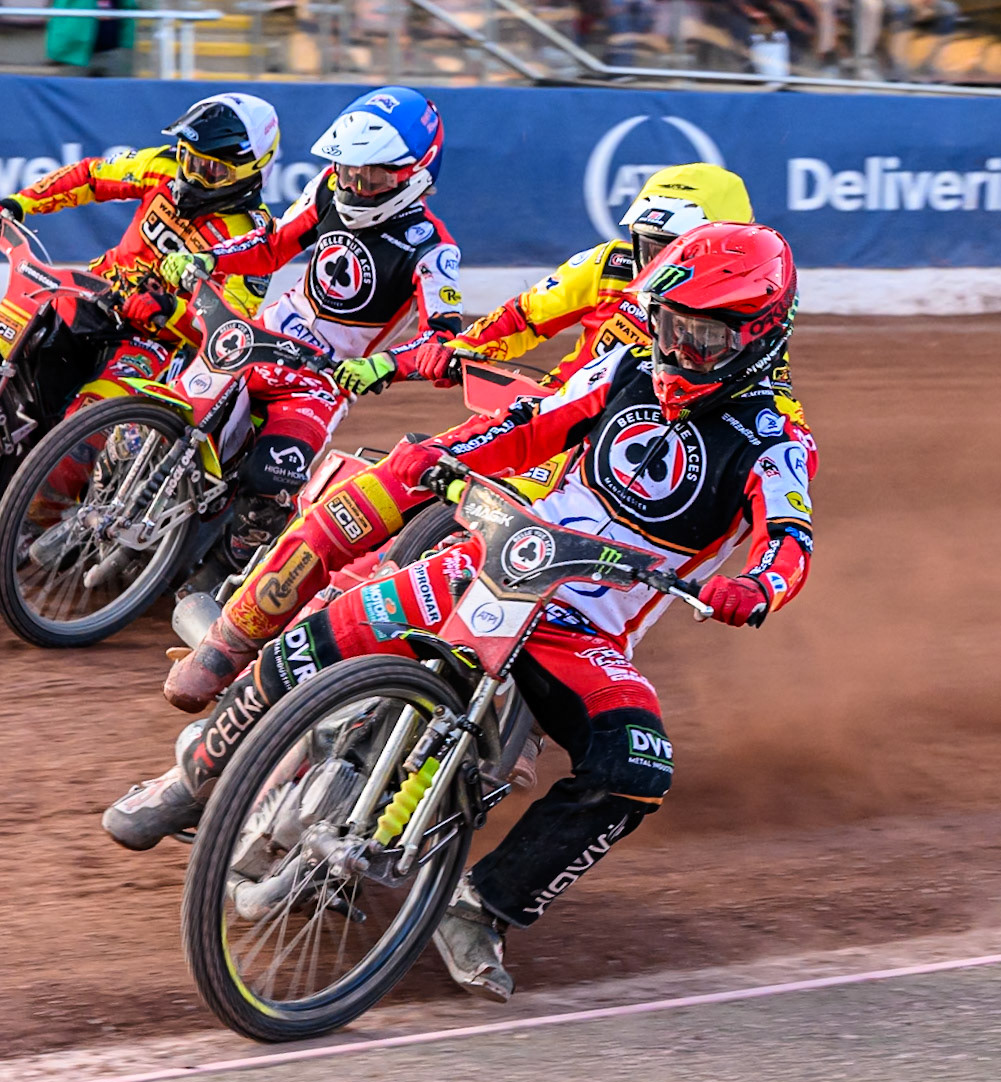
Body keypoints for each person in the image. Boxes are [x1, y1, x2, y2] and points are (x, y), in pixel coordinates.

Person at [105, 223, 818, 1006]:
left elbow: (788, 540)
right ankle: (192, 773)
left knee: (636, 768)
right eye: (670, 325)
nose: (680, 349)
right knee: (318, 633)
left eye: (704, 335)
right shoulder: (623, 367)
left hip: (585, 634)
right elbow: (529, 425)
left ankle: (483, 905)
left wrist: (754, 588)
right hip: (495, 563)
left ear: (758, 335)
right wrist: (453, 452)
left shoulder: (776, 438)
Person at [161, 162, 757, 713]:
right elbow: (514, 322)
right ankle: (242, 650)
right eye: (647, 244)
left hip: (601, 488)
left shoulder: (746, 350)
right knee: (373, 511)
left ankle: (509, 726)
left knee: (580, 600)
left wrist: (752, 582)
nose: (654, 262)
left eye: (672, 248)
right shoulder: (604, 266)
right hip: (533, 431)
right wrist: (410, 360)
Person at [0, 92, 280, 525]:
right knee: (13, 368)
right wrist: (20, 203)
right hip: (94, 296)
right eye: (188, 157)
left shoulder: (254, 237)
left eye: (211, 168)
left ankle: (32, 522)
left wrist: (170, 309)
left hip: (154, 343)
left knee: (83, 427)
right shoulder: (161, 166)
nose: (192, 172)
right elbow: (91, 177)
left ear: (251, 170)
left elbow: (228, 332)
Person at [150, 85, 464, 569]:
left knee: (270, 482)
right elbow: (273, 245)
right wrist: (209, 257)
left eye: (372, 175)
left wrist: (385, 365)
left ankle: (232, 579)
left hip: (323, 380)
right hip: (262, 337)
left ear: (416, 176)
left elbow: (442, 340)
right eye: (348, 168)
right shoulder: (326, 188)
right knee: (164, 412)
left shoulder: (434, 250)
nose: (354, 184)